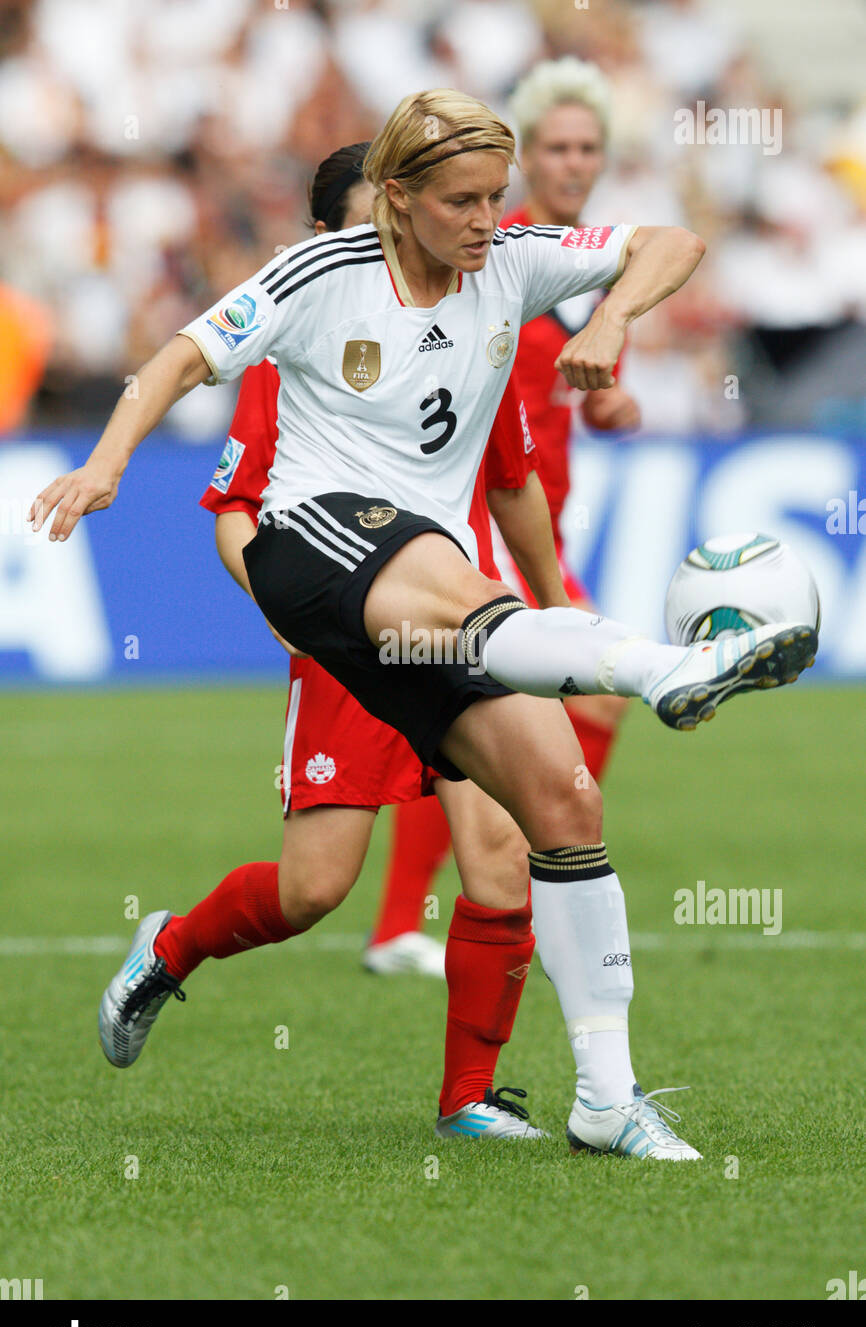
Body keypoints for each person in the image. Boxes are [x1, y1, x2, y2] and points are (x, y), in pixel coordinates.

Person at [31, 89, 817, 1160]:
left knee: (558, 801)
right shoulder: (320, 277)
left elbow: (669, 242)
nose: (489, 219)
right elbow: (178, 357)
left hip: (438, 595)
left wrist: (613, 315)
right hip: (313, 562)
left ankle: (599, 1095)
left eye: (497, 197)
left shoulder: (511, 265)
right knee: (452, 603)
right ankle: (663, 667)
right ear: (395, 201)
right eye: (463, 201)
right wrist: (105, 464)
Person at [369, 58, 640, 953]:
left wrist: (610, 400)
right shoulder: (496, 255)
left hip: (540, 515)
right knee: (506, 715)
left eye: (588, 147)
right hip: (475, 515)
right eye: (556, 146)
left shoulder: (593, 274)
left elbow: (584, 397)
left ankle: (504, 864)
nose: (573, 162)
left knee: (570, 706)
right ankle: (422, 912)